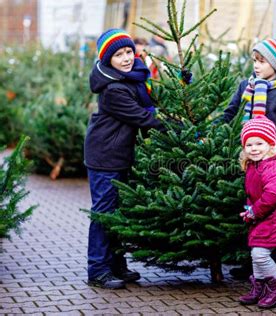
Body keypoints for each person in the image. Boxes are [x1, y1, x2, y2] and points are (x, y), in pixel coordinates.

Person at [84, 28, 168, 289]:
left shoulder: (134, 78)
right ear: (108, 59)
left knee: (119, 213)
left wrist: (182, 83)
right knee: (105, 213)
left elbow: (154, 98)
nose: (126, 58)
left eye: (129, 51)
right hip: (105, 157)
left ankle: (117, 265)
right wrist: (174, 126)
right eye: (119, 54)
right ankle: (98, 269)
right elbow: (142, 117)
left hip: (121, 155)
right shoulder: (112, 89)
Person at [221, 38, 276, 280]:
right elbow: (230, 114)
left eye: (262, 61)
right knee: (251, 208)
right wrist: (206, 131)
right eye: (254, 60)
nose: (256, 65)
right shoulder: (247, 86)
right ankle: (253, 263)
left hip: (271, 164)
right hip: (247, 158)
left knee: (274, 209)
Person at [237, 116, 276, 309]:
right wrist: (249, 210)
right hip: (265, 214)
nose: (253, 148)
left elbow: (273, 193)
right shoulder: (255, 164)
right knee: (256, 250)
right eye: (249, 144)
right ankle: (260, 288)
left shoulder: (272, 165)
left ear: (270, 145)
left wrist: (254, 211)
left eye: (259, 143)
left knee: (260, 253)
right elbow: (253, 192)